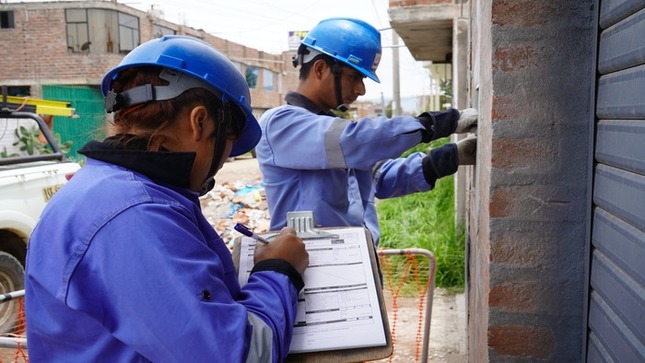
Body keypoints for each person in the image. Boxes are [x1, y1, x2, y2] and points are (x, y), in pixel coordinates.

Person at [25, 35, 309, 362]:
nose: (226, 157)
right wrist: (279, 269)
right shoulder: (136, 214)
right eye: (229, 137)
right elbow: (239, 354)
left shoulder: (112, 190)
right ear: (199, 121)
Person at [256, 17, 478, 247]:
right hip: (309, 270)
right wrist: (435, 124)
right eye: (355, 77)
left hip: (355, 263)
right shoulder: (280, 123)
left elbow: (377, 177)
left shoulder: (331, 131)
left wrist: (445, 159)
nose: (361, 90)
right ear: (320, 68)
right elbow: (353, 141)